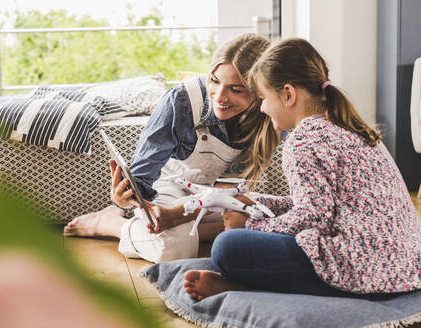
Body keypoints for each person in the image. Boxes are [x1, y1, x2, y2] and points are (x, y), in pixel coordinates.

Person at [183, 38, 421, 300]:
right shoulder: (350, 127)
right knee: (254, 233)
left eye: (263, 98)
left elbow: (314, 218)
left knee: (226, 248)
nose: (262, 107)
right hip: (406, 266)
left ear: (288, 94)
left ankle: (248, 286)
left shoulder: (303, 142)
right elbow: (318, 204)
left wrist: (251, 224)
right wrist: (259, 204)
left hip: (365, 271)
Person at [63, 33, 278, 263]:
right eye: (214, 81)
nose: (220, 97)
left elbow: (228, 191)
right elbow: (142, 178)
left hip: (222, 195)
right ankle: (112, 224)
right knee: (173, 250)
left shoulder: (270, 114)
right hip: (171, 187)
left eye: (236, 89)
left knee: (276, 223)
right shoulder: (182, 99)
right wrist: (126, 198)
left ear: (259, 90)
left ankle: (193, 234)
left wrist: (179, 217)